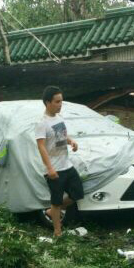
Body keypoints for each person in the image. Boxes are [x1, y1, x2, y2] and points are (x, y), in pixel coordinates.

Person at [35, 86, 84, 236]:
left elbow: (61, 136)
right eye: (57, 102)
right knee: (56, 201)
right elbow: (41, 146)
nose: (60, 104)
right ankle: (57, 232)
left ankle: (51, 211)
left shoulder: (59, 118)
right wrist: (49, 168)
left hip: (67, 165)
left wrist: (71, 141)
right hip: (54, 168)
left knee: (78, 193)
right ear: (47, 102)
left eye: (61, 101)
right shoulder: (42, 123)